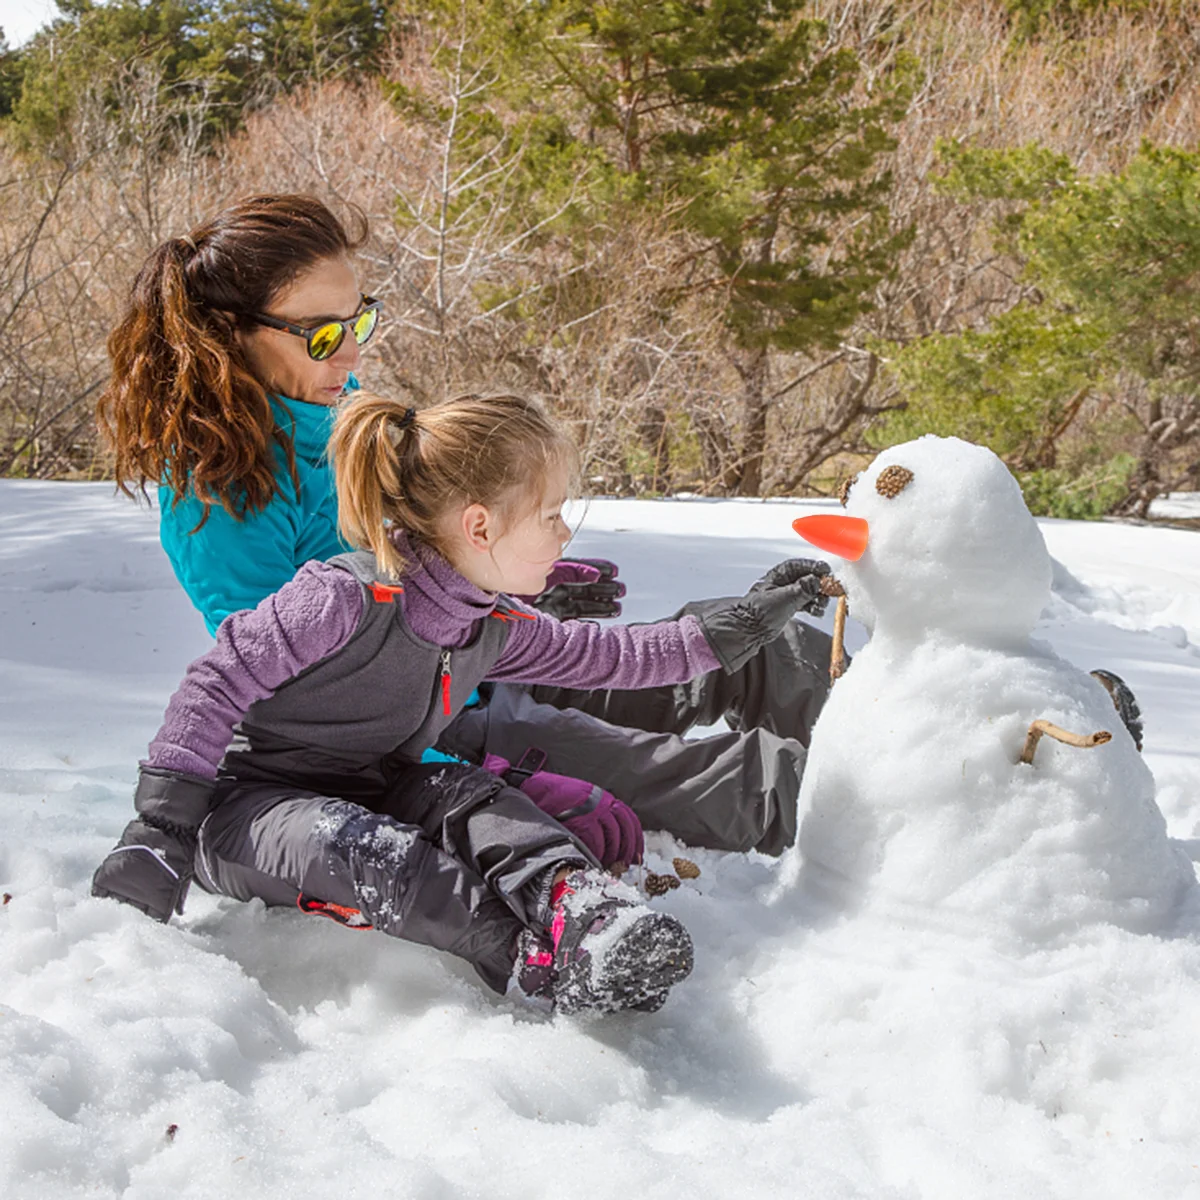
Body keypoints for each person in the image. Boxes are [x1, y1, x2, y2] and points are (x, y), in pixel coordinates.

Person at [95, 193, 838, 857]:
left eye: (357, 321)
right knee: (739, 784)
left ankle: (891, 727)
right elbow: (298, 707)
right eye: (321, 335)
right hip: (434, 736)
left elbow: (417, 549)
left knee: (766, 651)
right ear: (229, 336)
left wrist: (508, 582)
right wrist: (480, 782)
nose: (352, 353)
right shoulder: (219, 497)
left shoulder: (343, 418)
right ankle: (885, 820)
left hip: (487, 655)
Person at [92, 392, 831, 1014]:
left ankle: (585, 910)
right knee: (369, 851)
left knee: (481, 800)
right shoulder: (344, 596)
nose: (563, 532)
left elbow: (615, 656)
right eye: (550, 514)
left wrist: (738, 626)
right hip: (250, 809)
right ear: (479, 526)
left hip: (377, 784)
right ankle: (525, 959)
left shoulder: (490, 623)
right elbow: (216, 681)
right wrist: (160, 826)